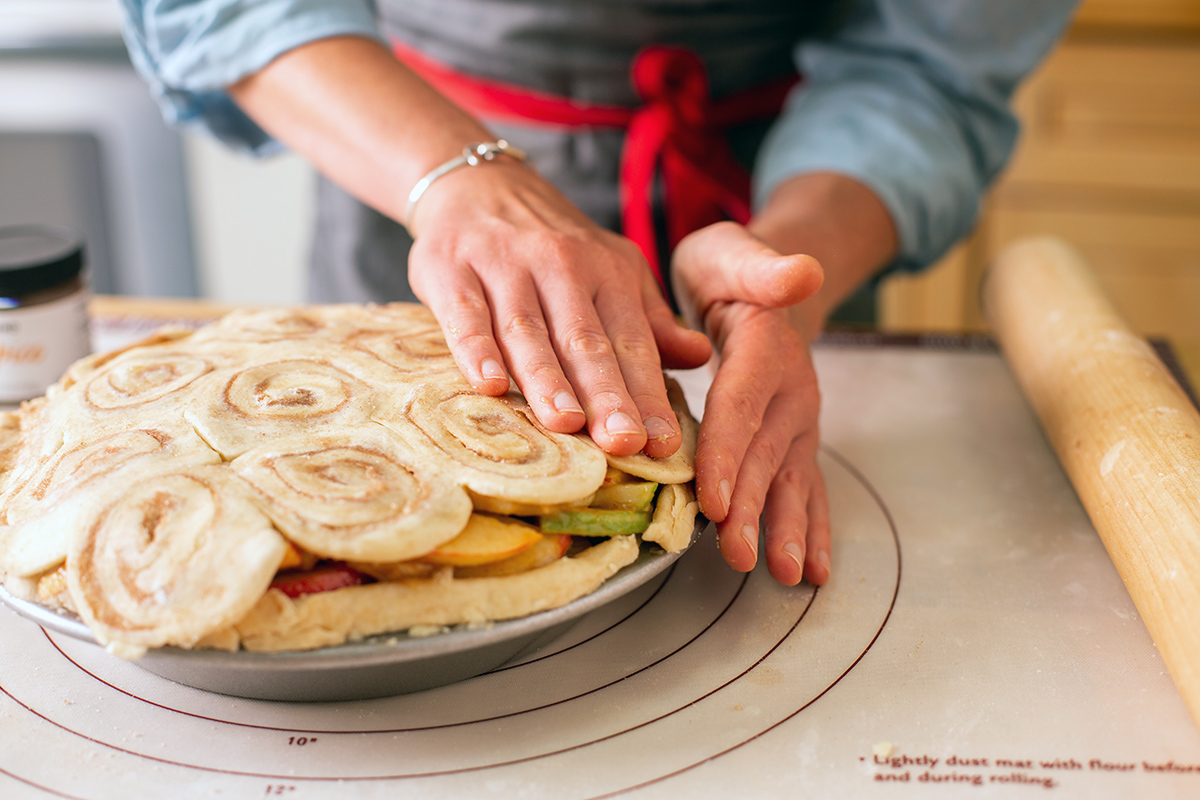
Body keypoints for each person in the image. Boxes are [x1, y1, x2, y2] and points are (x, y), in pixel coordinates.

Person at [115, 0, 1079, 587]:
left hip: (783, 188)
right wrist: (462, 181)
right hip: (403, 171)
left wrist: (780, 277)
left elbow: (928, 65)